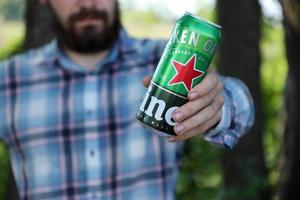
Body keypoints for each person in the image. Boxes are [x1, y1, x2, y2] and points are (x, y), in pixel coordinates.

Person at [0, 0, 254, 199]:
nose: (88, 2)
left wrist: (214, 109)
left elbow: (241, 105)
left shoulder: (164, 61)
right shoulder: (8, 80)